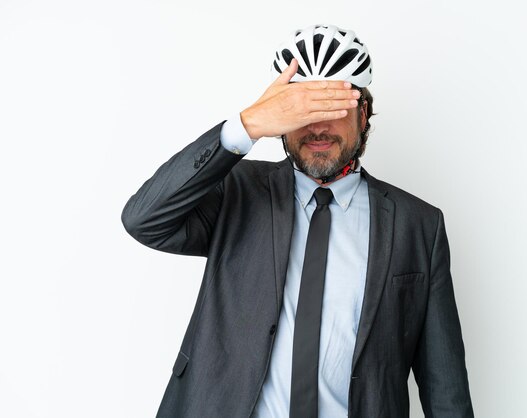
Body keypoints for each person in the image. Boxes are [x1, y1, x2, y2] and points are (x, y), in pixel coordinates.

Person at [121, 24, 474, 418]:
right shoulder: (236, 190)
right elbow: (144, 219)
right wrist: (247, 125)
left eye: (332, 108)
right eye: (302, 109)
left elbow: (445, 388)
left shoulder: (418, 226)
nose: (317, 127)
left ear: (363, 112)